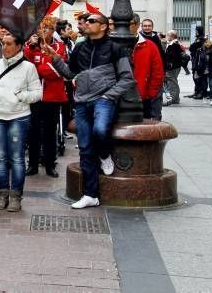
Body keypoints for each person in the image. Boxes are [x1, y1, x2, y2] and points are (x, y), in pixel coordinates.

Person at [45, 12, 135, 209]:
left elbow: (127, 78)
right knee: (85, 149)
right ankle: (90, 195)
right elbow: (70, 73)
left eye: (91, 21)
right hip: (82, 102)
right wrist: (55, 59)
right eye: (85, 21)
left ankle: (104, 155)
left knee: (100, 130)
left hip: (103, 100)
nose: (85, 23)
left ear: (103, 26)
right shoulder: (80, 47)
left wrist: (108, 95)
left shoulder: (115, 48)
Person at [0, 33, 42, 212]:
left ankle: (16, 196)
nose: (4, 47)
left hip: (19, 117)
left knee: (17, 158)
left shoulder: (28, 68)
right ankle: (2, 195)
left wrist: (21, 96)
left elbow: (38, 93)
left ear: (19, 46)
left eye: (8, 44)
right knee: (0, 158)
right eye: (3, 43)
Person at [24, 17, 67, 178]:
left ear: (53, 31)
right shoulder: (32, 48)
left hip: (53, 97)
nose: (43, 32)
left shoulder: (59, 47)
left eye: (47, 29)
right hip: (35, 97)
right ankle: (33, 164)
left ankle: (50, 164)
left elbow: (56, 71)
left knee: (50, 132)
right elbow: (25, 67)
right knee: (33, 131)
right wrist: (30, 48)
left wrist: (38, 67)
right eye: (40, 29)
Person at [134, 26, 165, 120]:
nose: (147, 28)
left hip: (147, 91)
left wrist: (151, 92)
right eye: (145, 26)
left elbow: (158, 69)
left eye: (149, 26)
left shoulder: (152, 42)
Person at [163, 30, 183, 106]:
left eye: (167, 35)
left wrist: (169, 65)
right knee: (173, 82)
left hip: (173, 67)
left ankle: (174, 99)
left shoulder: (175, 44)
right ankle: (176, 99)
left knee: (172, 83)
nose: (166, 36)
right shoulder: (173, 44)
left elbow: (174, 57)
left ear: (171, 36)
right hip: (173, 67)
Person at [189, 26, 207, 99]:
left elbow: (192, 47)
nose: (195, 32)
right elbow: (192, 48)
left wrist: (194, 46)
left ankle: (201, 93)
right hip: (195, 60)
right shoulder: (198, 38)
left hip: (199, 60)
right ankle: (197, 92)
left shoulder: (201, 39)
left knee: (199, 77)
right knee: (195, 76)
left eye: (196, 31)